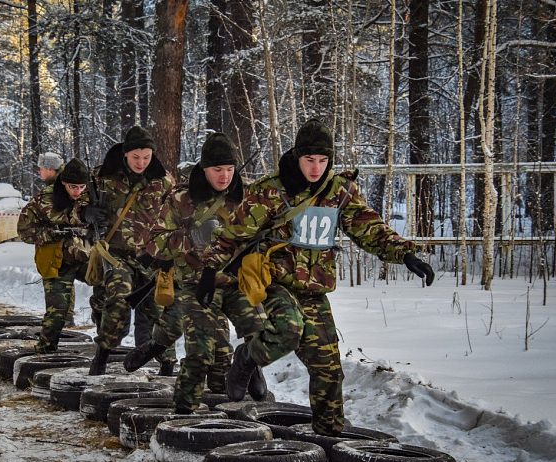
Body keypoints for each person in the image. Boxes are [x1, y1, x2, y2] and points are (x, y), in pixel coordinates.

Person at [195, 119, 435, 436]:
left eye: (323, 161)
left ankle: (328, 435)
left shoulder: (339, 192)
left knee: (328, 367)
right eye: (309, 160)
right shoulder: (271, 190)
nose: (316, 168)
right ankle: (246, 357)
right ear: (297, 156)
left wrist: (404, 253)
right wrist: (209, 272)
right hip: (275, 281)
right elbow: (233, 233)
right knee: (288, 327)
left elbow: (369, 228)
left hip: (313, 289)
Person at [123, 133, 268, 413]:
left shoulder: (247, 195)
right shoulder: (181, 199)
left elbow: (266, 229)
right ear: (204, 169)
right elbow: (153, 242)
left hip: (236, 282)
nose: (224, 176)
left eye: (229, 169)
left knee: (262, 331)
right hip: (195, 285)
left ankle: (249, 367)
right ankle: (182, 413)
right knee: (202, 351)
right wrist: (191, 237)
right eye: (217, 170)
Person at [85, 125, 176, 375]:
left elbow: (178, 214)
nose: (141, 162)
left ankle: (167, 364)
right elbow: (75, 203)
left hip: (151, 256)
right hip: (116, 254)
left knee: (159, 309)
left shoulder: (164, 181)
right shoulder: (103, 176)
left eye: (146, 157)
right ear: (125, 154)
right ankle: (103, 354)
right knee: (119, 298)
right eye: (136, 157)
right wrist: (85, 212)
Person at [18, 157, 92, 353]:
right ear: (64, 183)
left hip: (85, 257)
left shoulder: (90, 198)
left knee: (109, 290)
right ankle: (45, 350)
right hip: (56, 261)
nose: (77, 192)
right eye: (72, 187)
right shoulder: (44, 199)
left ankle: (104, 347)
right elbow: (24, 230)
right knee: (57, 312)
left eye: (81, 187)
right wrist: (51, 233)